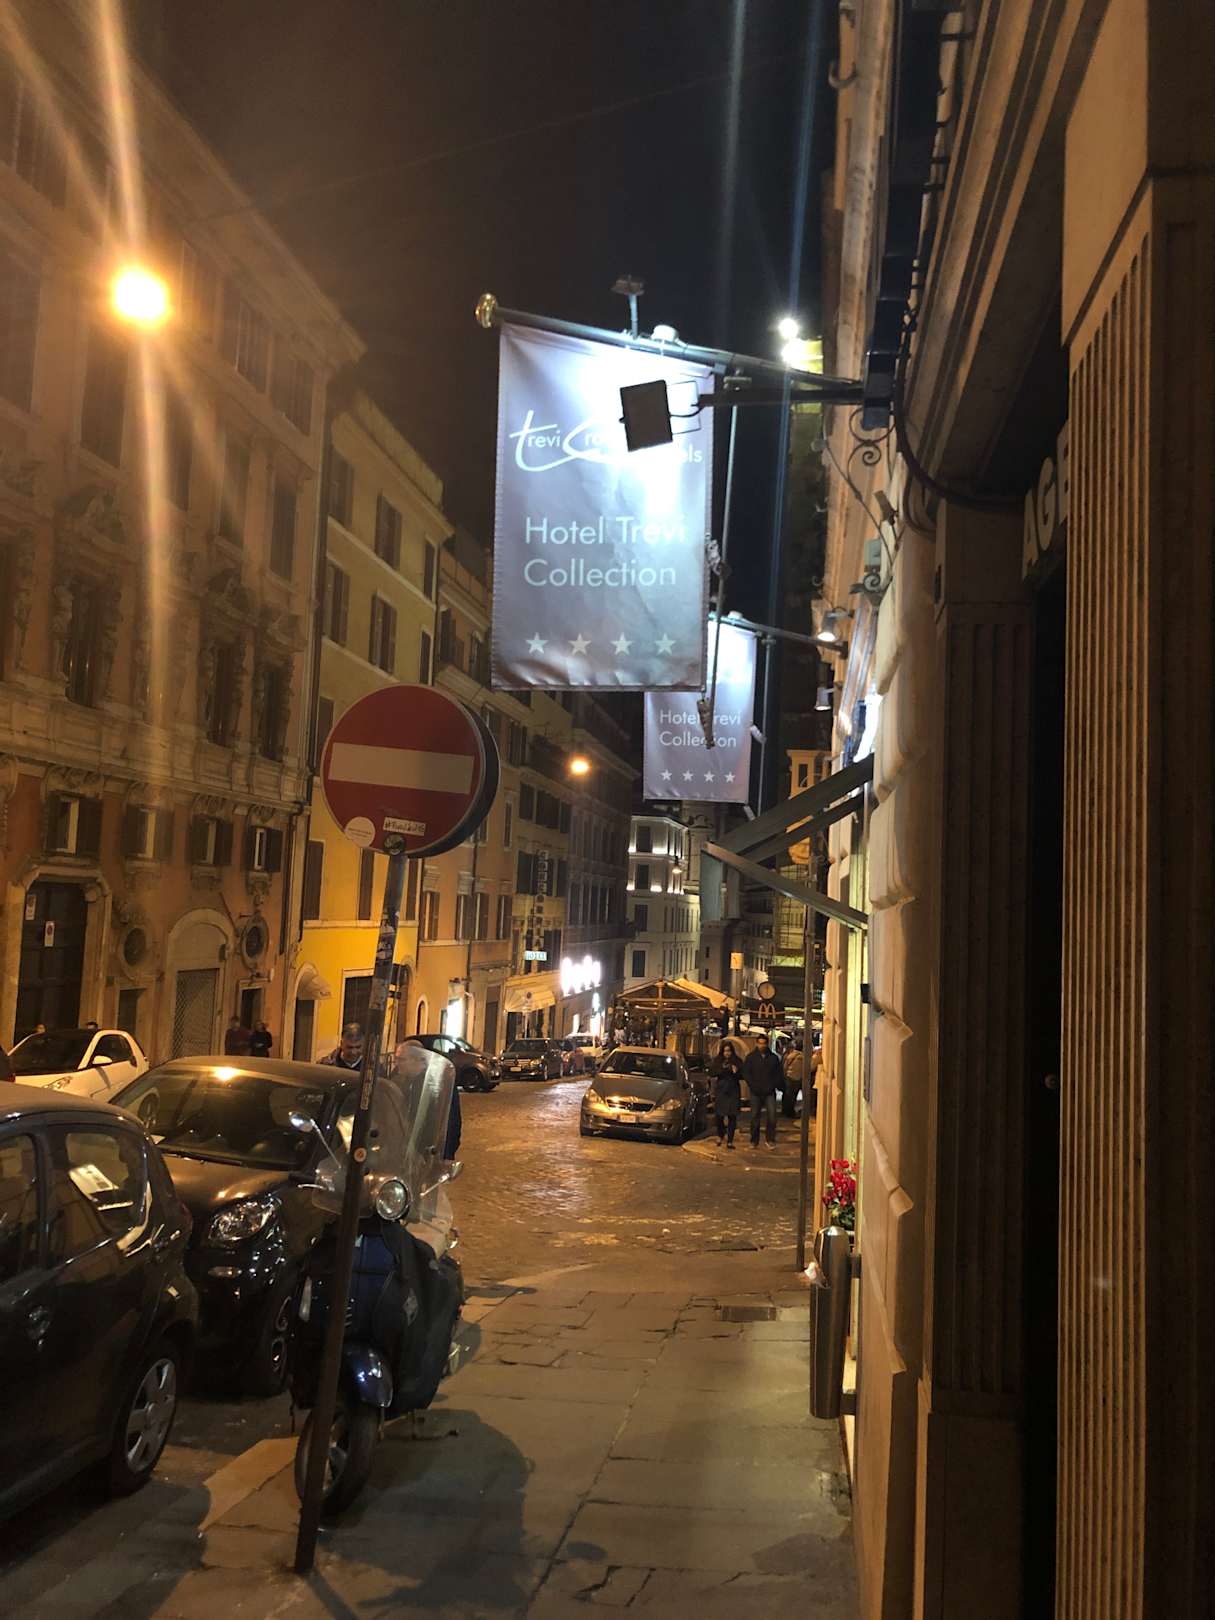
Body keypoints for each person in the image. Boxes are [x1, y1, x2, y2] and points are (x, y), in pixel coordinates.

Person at [742, 1031, 783, 1149]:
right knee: (755, 1117)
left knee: (772, 1116)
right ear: (756, 1044)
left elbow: (778, 1074)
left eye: (763, 1043)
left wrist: (773, 1085)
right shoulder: (751, 1058)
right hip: (755, 1092)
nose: (762, 1046)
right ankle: (754, 1140)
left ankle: (770, 1139)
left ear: (767, 1044)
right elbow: (746, 1073)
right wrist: (752, 1085)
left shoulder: (773, 1058)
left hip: (769, 1092)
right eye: (760, 1043)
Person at [713, 1040, 743, 1149]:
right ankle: (720, 1135)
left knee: (732, 1116)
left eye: (729, 1051)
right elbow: (712, 1071)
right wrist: (722, 1069)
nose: (727, 1053)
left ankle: (730, 1140)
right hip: (721, 1091)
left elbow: (742, 1075)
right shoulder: (718, 1060)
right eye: (725, 1051)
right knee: (719, 1115)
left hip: (733, 1090)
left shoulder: (737, 1061)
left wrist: (736, 1071)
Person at [781, 1039, 805, 1119]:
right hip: (797, 1078)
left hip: (789, 1077)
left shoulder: (790, 1055)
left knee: (788, 1095)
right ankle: (790, 1112)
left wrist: (785, 1075)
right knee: (793, 1096)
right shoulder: (803, 1056)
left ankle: (786, 1111)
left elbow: (785, 1066)